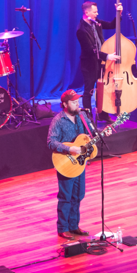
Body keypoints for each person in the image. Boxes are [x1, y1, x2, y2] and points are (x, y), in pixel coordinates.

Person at [47, 89, 93, 240]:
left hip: (79, 163)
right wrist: (69, 149)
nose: (77, 104)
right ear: (65, 104)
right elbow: (51, 142)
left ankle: (74, 225)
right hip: (65, 162)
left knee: (78, 195)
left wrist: (101, 134)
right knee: (66, 196)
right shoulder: (58, 120)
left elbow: (90, 135)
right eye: (73, 102)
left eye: (77, 101)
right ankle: (63, 228)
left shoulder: (82, 116)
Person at [76, 1, 122, 124]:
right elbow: (91, 50)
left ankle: (103, 114)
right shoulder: (81, 30)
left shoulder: (96, 23)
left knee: (103, 89)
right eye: (95, 12)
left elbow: (112, 25)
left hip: (101, 63)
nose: (97, 14)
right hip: (89, 65)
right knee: (89, 91)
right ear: (87, 13)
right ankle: (88, 118)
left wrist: (118, 13)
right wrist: (107, 56)